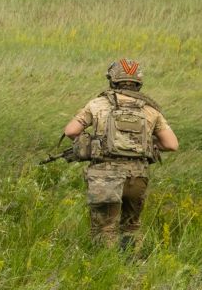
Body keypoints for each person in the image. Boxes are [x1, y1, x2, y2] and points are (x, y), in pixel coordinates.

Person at [61, 59, 179, 248]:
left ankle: (106, 268)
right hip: (137, 176)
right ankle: (132, 266)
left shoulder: (97, 104)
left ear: (112, 80)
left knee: (104, 229)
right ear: (139, 82)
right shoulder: (150, 110)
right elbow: (171, 144)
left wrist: (92, 143)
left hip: (104, 176)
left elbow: (71, 131)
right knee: (131, 228)